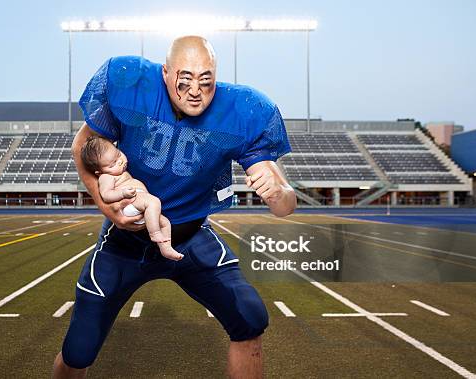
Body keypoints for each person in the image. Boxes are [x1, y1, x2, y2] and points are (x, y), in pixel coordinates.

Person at [53, 35, 296, 379]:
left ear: (216, 76)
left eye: (206, 80)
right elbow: (84, 147)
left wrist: (277, 192)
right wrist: (110, 211)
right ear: (165, 73)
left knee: (250, 318)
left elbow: (285, 203)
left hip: (190, 236)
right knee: (79, 349)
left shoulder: (243, 111)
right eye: (185, 79)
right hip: (128, 243)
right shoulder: (131, 84)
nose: (195, 90)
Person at [81, 134, 183, 261]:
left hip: (139, 203)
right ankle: (155, 233)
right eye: (112, 164)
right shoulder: (106, 177)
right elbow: (106, 195)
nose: (120, 161)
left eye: (118, 155)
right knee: (154, 202)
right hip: (129, 204)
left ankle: (166, 248)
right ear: (99, 172)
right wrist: (122, 193)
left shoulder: (119, 172)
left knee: (165, 222)